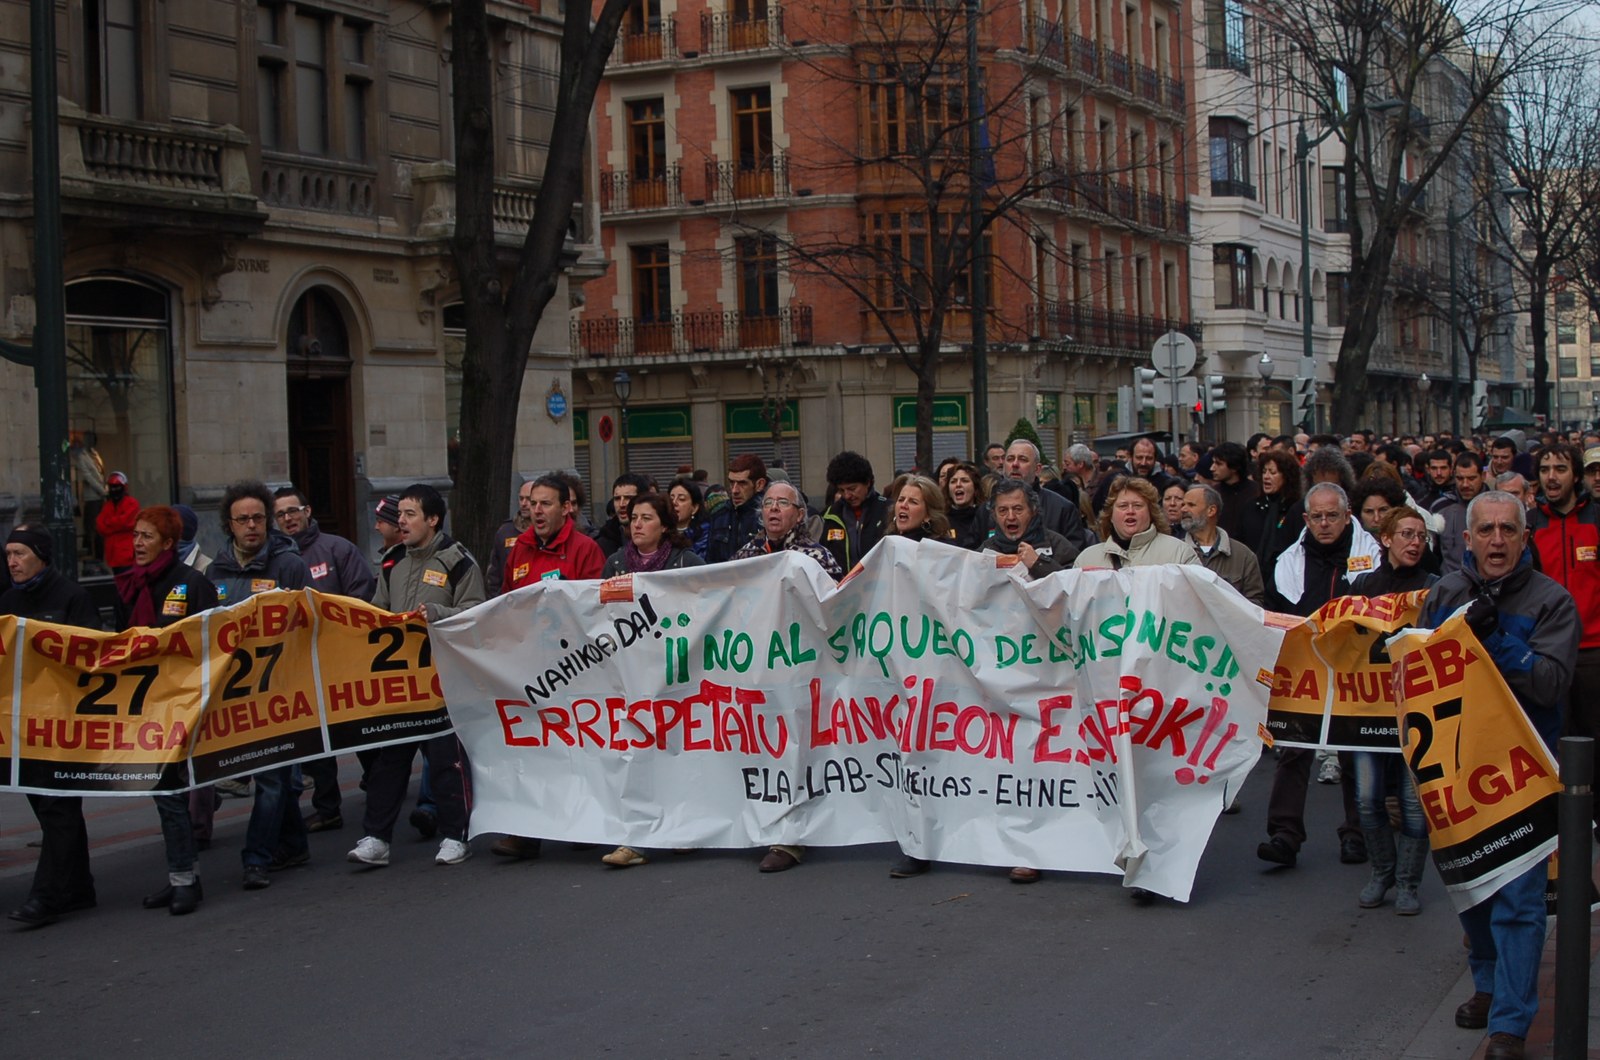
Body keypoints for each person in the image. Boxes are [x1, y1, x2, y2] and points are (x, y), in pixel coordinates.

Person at [1421, 491, 1579, 1060]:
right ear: (1467, 539)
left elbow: (1551, 684)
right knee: (1472, 893)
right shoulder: (1443, 594)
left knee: (1518, 900)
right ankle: (1488, 988)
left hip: (1520, 775)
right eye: (1484, 530)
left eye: (1506, 531)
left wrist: (1496, 639)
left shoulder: (1552, 602)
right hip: (1457, 772)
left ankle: (1511, 1022)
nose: (1495, 541)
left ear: (1523, 535)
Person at [348, 484, 487, 870]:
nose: (401, 522)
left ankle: (455, 835)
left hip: (442, 683)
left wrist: (437, 615)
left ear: (432, 519)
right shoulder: (392, 563)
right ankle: (376, 837)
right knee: (388, 762)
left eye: (410, 514)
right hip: (401, 683)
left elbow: (477, 610)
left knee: (445, 762)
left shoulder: (457, 562)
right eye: (400, 515)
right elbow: (380, 610)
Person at [1257, 483, 1381, 869]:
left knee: (1354, 752)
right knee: (1293, 751)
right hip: (1304, 666)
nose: (1324, 524)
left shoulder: (1371, 556)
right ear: (1306, 519)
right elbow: (1278, 609)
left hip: (1352, 665)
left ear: (1347, 516)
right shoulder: (1288, 561)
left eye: (1332, 516)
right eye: (1317, 517)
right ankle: (1284, 835)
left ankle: (1357, 834)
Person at [494, 474, 606, 860]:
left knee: (579, 749)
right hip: (531, 665)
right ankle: (528, 832)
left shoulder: (585, 549)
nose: (536, 511)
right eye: (532, 504)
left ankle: (588, 823)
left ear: (566, 508)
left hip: (575, 667)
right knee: (533, 749)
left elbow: (593, 608)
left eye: (545, 504)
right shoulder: (519, 549)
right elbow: (507, 603)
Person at [207, 480, 312, 890]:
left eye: (258, 518)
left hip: (280, 688)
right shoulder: (214, 572)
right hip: (235, 690)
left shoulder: (288, 566)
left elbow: (305, 624)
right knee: (279, 778)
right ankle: (294, 843)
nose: (251, 526)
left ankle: (256, 858)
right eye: (242, 519)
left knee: (270, 776)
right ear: (228, 525)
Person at [734, 481, 843, 874]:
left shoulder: (816, 556)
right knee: (761, 744)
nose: (774, 510)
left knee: (796, 746)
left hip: (799, 667)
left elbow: (832, 607)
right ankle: (762, 819)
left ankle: (790, 836)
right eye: (768, 504)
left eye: (783, 503)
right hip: (756, 667)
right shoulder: (745, 556)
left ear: (800, 514)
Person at [114, 506, 219, 916]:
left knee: (173, 793)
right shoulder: (128, 585)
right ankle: (182, 875)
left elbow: (211, 643)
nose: (137, 544)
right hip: (146, 702)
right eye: (135, 535)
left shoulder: (192, 584)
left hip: (183, 702)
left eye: (146, 537)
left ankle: (185, 881)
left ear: (168, 543)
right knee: (163, 796)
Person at [596, 493, 707, 869]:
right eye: (633, 519)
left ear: (664, 524)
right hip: (631, 676)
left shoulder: (685, 562)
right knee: (637, 752)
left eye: (646, 518)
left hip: (677, 673)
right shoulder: (614, 564)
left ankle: (684, 828)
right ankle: (636, 838)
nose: (637, 525)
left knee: (678, 752)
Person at [3, 527, 101, 927]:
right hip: (23, 728)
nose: (12, 561)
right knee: (49, 810)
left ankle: (47, 896)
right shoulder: (8, 602)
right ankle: (79, 888)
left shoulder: (72, 597)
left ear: (41, 556)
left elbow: (95, 654)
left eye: (20, 553)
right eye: (8, 553)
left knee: (58, 807)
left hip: (64, 726)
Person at [272, 486, 376, 832]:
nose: (288, 518)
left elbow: (362, 596)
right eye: (281, 514)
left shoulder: (337, 549)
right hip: (299, 666)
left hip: (343, 661)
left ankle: (379, 791)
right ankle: (327, 807)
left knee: (361, 733)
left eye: (293, 511)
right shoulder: (275, 559)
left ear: (308, 511)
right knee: (316, 743)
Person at [1350, 507, 1435, 916]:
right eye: (1406, 534)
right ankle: (1381, 872)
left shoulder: (1436, 588)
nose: (1415, 542)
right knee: (1367, 798)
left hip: (1417, 713)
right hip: (1368, 711)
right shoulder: (1364, 585)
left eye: (1421, 535)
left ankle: (1407, 882)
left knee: (1414, 801)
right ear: (1386, 539)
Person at [1525, 442, 1600, 831]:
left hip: (1593, 650)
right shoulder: (1530, 524)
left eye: (1560, 468)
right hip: (1546, 650)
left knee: (1595, 736)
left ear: (1576, 476)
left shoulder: (1597, 519)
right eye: (1545, 469)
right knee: (1552, 737)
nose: (1551, 476)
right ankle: (1560, 817)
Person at [1076, 477, 1199, 571]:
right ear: (1110, 515)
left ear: (1151, 513)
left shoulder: (1179, 553)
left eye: (1137, 506)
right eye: (1123, 506)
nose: (1130, 511)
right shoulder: (1086, 559)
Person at [1000, 439, 1093, 550]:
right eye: (1010, 459)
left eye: (1022, 459)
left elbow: (1073, 557)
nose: (1015, 464)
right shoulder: (987, 509)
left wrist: (1039, 563)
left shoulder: (1062, 508)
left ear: (1038, 469)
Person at [1181, 485, 1264, 605]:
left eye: (1191, 505)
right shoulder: (1175, 550)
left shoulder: (1244, 556)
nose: (1183, 509)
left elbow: (1255, 603)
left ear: (1211, 511)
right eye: (1183, 504)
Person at [1241, 449, 1306, 601]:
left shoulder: (1296, 509)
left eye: (1273, 472)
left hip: (1283, 580)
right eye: (1264, 472)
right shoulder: (1252, 507)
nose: (1266, 477)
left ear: (1287, 476)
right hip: (1254, 579)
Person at [820, 450, 889, 571]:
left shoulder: (887, 510)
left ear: (868, 482)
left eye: (852, 489)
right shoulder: (831, 514)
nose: (847, 495)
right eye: (841, 490)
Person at [1430, 453, 1485, 575]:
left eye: (1471, 479)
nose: (1465, 484)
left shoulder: (1496, 506)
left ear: (1483, 476)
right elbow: (1433, 551)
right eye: (1460, 479)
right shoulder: (1440, 507)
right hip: (1450, 582)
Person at [706, 454, 768, 562]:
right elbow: (710, 560)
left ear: (759, 484)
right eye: (731, 482)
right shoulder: (719, 515)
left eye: (742, 483)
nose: (734, 490)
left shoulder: (769, 516)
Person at [486, 480, 535, 598]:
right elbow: (493, 576)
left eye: (528, 499)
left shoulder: (549, 531)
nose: (523, 503)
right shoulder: (505, 532)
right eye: (521, 498)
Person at [592, 472, 654, 558]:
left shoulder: (660, 540)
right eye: (617, 499)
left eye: (628, 498)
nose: (621, 504)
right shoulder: (602, 544)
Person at [882, 474, 954, 543]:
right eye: (901, 500)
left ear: (928, 515)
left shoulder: (941, 548)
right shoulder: (885, 543)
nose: (903, 505)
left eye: (913, 502)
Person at [95, 470, 140, 572]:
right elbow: (100, 526)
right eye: (112, 487)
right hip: (113, 555)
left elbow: (124, 522)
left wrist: (109, 523)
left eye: (117, 487)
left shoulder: (132, 503)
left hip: (127, 555)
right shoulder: (108, 506)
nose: (114, 490)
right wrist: (116, 524)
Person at [943, 461, 989, 550]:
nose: (958, 485)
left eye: (964, 481)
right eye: (953, 481)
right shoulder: (942, 521)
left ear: (975, 489)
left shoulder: (985, 517)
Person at [668, 475, 711, 559]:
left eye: (681, 499)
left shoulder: (705, 533)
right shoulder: (661, 531)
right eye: (671, 498)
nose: (674, 503)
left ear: (694, 508)